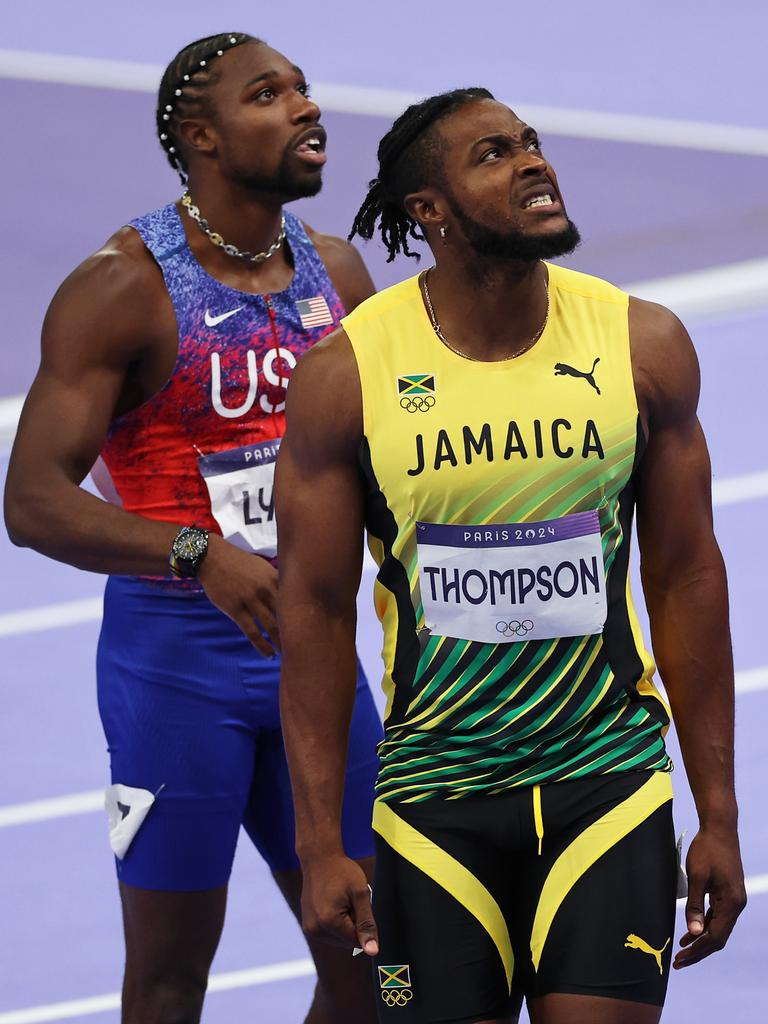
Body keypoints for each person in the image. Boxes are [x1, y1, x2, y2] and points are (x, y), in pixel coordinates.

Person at [275, 88, 747, 1024]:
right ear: (430, 210)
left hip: (605, 784)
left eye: (531, 143)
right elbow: (317, 611)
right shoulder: (348, 375)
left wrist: (720, 815)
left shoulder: (640, 345)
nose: (534, 162)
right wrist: (320, 842)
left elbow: (686, 576)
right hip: (433, 804)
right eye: (494, 154)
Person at [4, 32, 382, 1024]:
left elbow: (387, 461)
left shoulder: (339, 273)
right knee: (171, 982)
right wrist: (192, 550)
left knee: (383, 966)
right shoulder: (121, 288)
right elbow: (32, 499)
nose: (305, 108)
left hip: (319, 664)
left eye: (303, 87)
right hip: (176, 676)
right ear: (203, 138)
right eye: (270, 94)